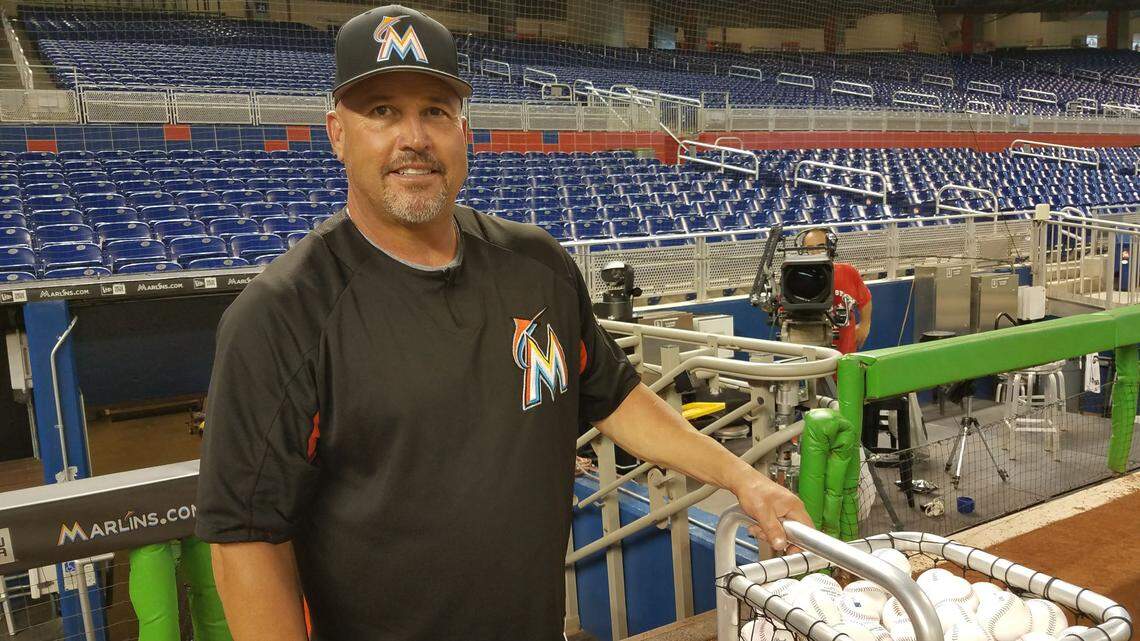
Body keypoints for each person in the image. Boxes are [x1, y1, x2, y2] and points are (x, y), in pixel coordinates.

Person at [195, 6, 813, 641]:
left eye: (435, 109)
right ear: (337, 133)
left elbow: (614, 397)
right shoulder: (282, 315)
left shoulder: (535, 267)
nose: (414, 136)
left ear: (465, 130)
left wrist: (741, 477)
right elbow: (246, 542)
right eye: (382, 110)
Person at [800, 228, 873, 354]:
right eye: (810, 248)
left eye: (821, 246)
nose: (815, 252)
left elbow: (865, 300)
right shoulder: (797, 278)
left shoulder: (848, 272)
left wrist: (865, 324)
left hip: (846, 354)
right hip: (813, 356)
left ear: (830, 248)